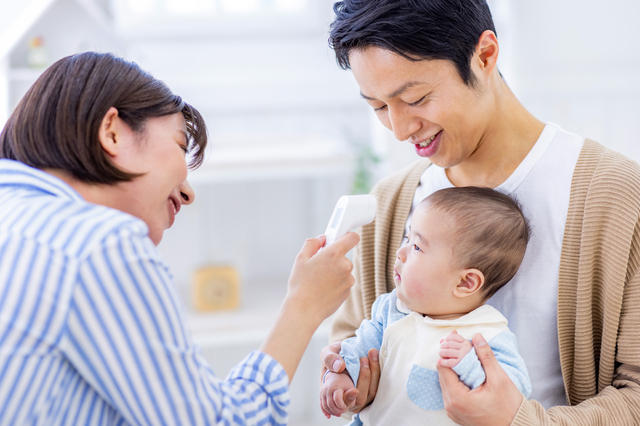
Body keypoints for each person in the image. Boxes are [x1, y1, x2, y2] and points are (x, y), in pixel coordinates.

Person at [319, 0, 640, 424]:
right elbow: (351, 336)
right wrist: (349, 376)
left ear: (485, 55)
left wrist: (519, 421)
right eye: (378, 107)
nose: (398, 129)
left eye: (415, 98)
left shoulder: (614, 197)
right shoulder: (391, 203)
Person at [0, 51, 360, 425]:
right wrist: (302, 308)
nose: (188, 193)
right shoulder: (99, 243)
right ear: (112, 132)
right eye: (178, 145)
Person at [320, 187, 532, 425]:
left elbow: (516, 392)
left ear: (465, 282)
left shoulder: (488, 334)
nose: (400, 252)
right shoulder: (392, 310)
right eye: (407, 239)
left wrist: (470, 365)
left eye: (417, 247)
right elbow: (360, 348)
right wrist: (341, 376)